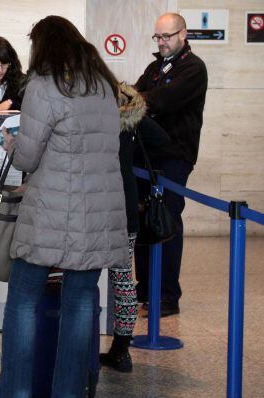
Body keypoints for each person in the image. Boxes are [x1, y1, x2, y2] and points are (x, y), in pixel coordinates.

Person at [0, 16, 128, 397]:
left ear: (42, 46)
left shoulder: (44, 85)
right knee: (81, 303)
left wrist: (11, 145)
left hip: (50, 214)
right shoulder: (103, 86)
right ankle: (69, 392)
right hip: (97, 215)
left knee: (23, 299)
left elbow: (28, 157)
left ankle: (16, 392)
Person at [133, 12, 208, 317]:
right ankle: (144, 290)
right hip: (145, 157)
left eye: (167, 36)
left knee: (166, 222)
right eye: (158, 37)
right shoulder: (155, 67)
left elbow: (161, 101)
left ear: (183, 34)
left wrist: (137, 100)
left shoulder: (193, 68)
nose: (161, 42)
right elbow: (135, 94)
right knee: (142, 221)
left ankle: (166, 296)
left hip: (174, 157)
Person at [99, 83, 170, 373]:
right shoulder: (130, 119)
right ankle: (121, 350)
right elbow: (162, 140)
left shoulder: (92, 118)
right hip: (125, 206)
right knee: (123, 280)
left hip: (94, 207)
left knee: (82, 278)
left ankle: (80, 349)